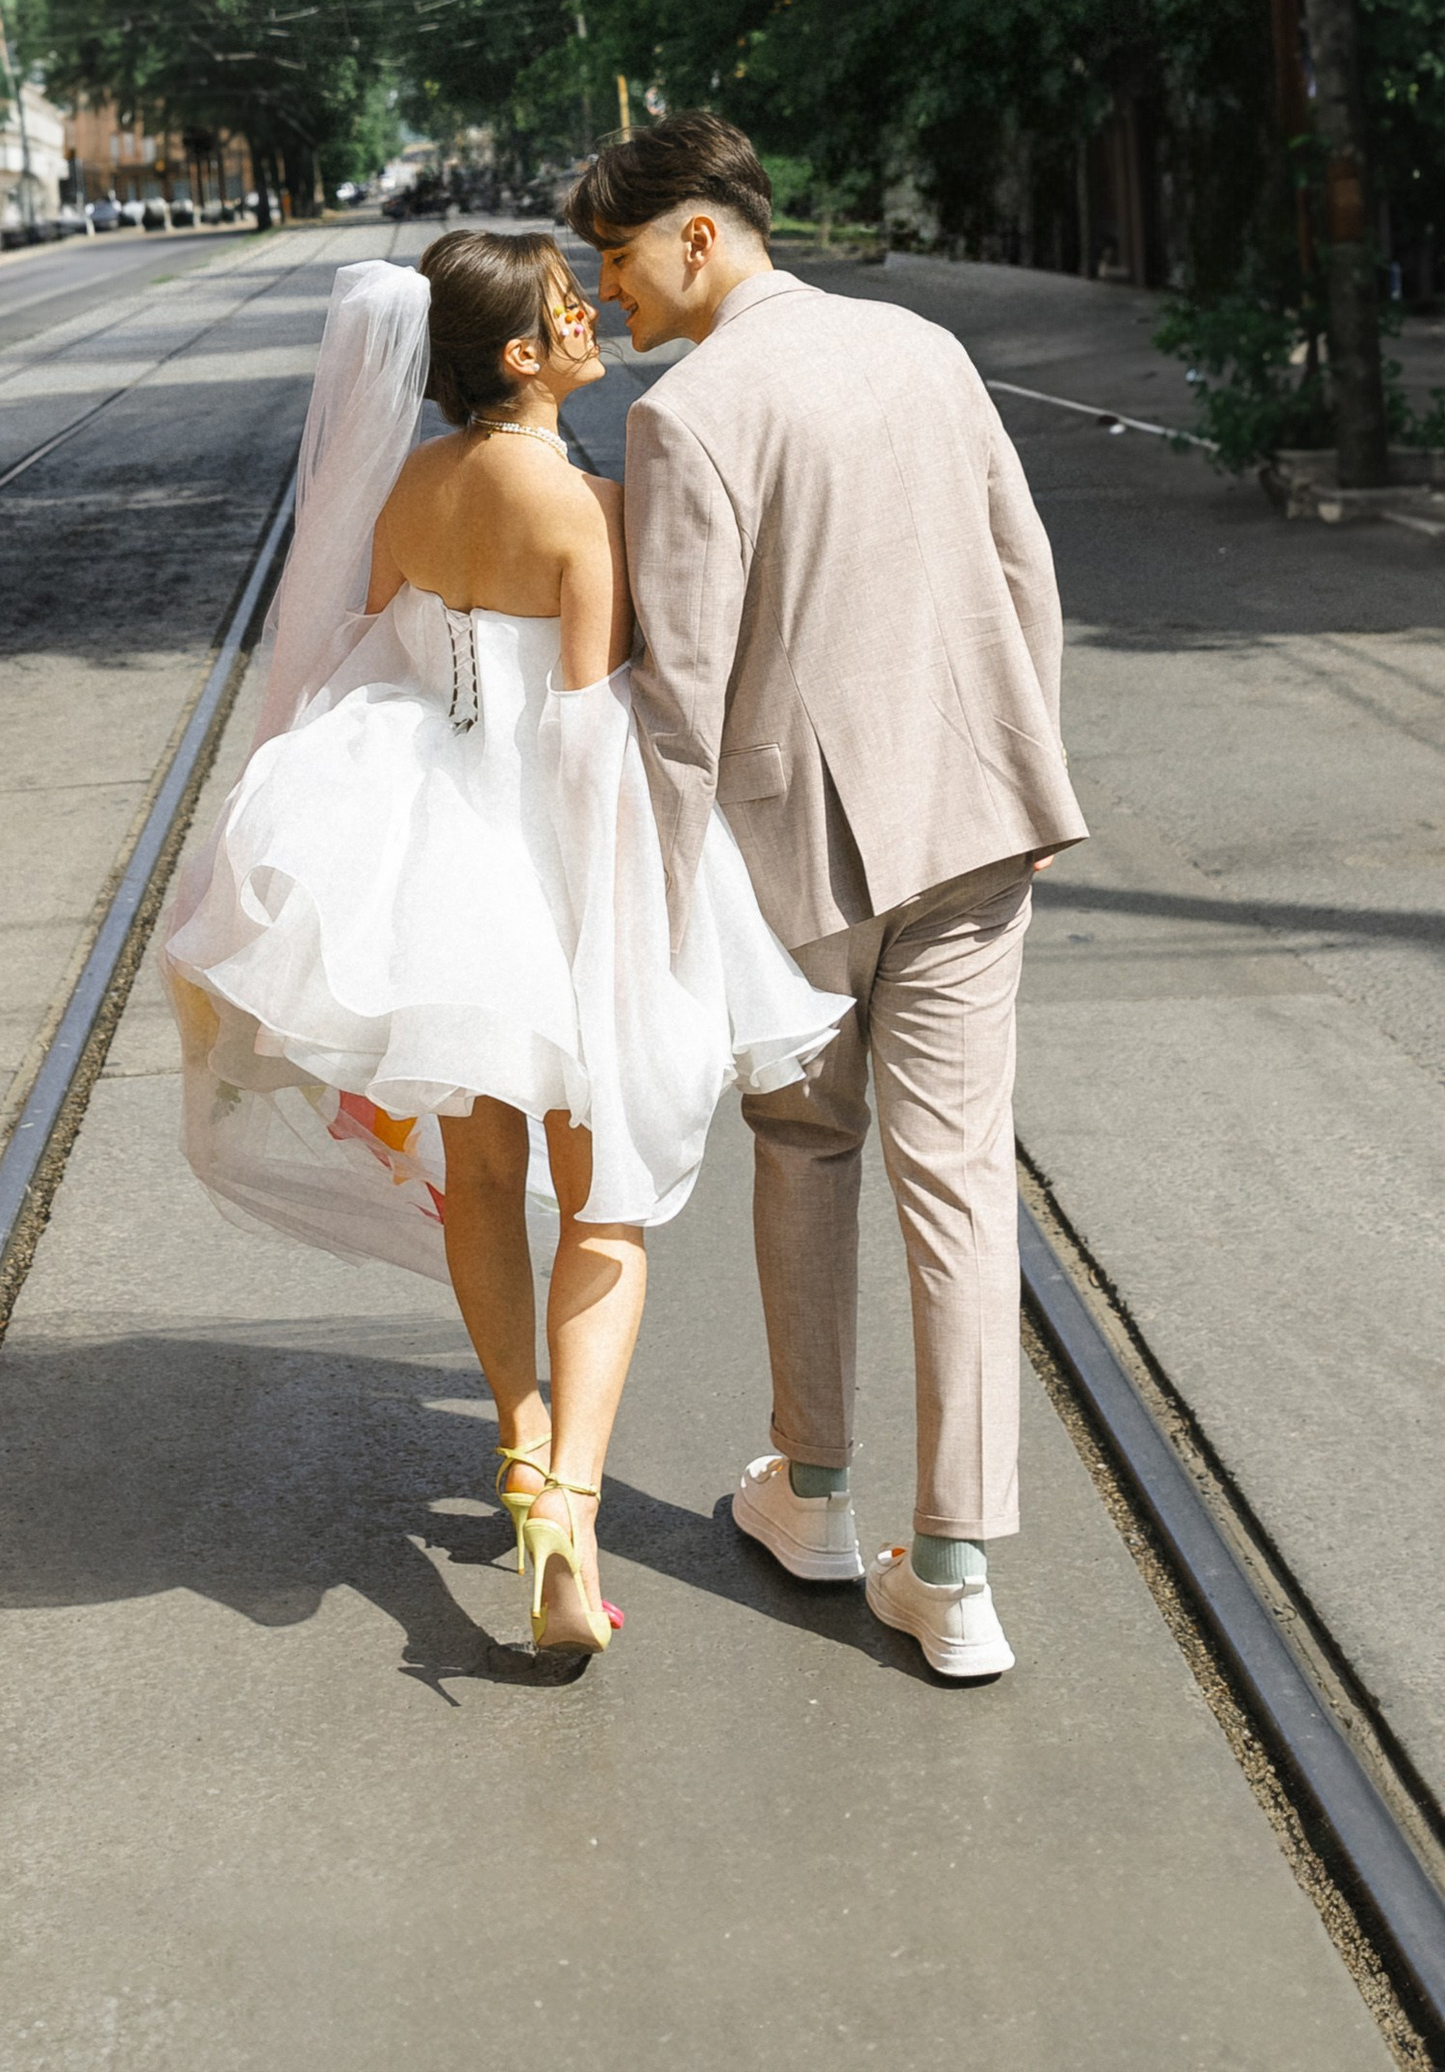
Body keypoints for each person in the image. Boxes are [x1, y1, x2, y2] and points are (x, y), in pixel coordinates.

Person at [164, 232, 840, 1659]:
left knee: (482, 1167)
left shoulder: (410, 490)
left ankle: (519, 1445)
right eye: (565, 308)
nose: (592, 314)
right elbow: (594, 740)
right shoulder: (589, 510)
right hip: (556, 865)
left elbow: (377, 657)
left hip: (439, 863)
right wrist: (635, 939)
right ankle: (571, 1517)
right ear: (523, 357)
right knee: (607, 1202)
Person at [570, 113, 1085, 1684]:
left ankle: (814, 1489)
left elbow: (681, 701)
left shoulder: (690, 416)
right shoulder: (925, 348)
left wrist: (650, 919)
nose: (612, 304)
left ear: (700, 234)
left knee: (806, 1145)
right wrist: (1011, 756)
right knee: (958, 1181)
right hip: (977, 822)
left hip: (798, 857)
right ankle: (954, 1570)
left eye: (621, 263)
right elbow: (1026, 570)